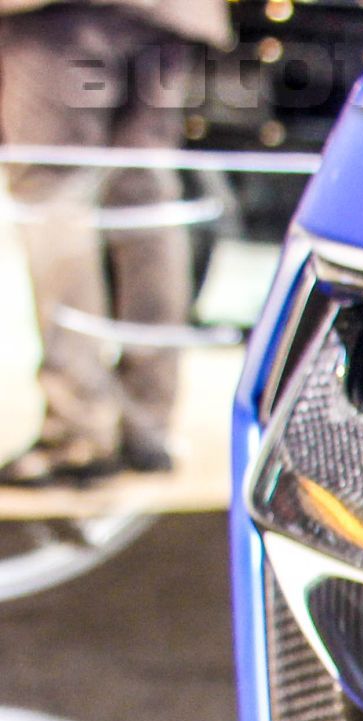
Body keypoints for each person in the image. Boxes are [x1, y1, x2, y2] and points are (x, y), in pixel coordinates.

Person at [0, 0, 232, 482]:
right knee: (145, 197)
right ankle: (148, 421)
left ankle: (80, 424)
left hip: (60, 14)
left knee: (51, 190)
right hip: (172, 12)